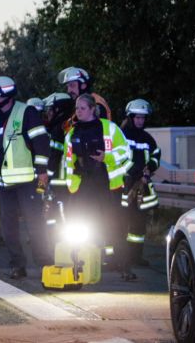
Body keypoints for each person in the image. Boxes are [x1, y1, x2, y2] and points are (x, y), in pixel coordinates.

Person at [0, 76, 52, 279]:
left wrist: (42, 171)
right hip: (5, 183)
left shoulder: (27, 112)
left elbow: (41, 141)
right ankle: (18, 265)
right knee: (8, 229)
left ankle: (46, 264)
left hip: (28, 181)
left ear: (3, 95)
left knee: (35, 225)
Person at [64, 94, 135, 280]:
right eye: (77, 108)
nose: (78, 112)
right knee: (77, 226)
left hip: (107, 185)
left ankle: (124, 267)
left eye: (82, 108)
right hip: (82, 187)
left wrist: (106, 157)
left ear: (93, 109)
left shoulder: (109, 129)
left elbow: (126, 152)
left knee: (115, 227)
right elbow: (67, 161)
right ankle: (79, 264)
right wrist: (71, 184)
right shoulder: (72, 133)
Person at [119, 99, 161, 267]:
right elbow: (119, 158)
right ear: (130, 117)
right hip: (124, 186)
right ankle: (118, 258)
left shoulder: (148, 139)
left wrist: (150, 168)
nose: (140, 121)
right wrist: (138, 174)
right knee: (120, 222)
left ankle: (135, 257)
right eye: (137, 117)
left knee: (138, 224)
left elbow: (156, 155)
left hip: (141, 188)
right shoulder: (122, 136)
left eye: (143, 118)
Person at [42, 92, 75, 228]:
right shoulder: (70, 124)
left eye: (50, 109)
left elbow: (54, 156)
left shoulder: (58, 129)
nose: (48, 113)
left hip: (58, 179)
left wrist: (45, 179)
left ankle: (52, 241)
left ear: (58, 109)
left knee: (54, 213)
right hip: (72, 179)